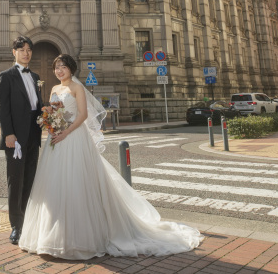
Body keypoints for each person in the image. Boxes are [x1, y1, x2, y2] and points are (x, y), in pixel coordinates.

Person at [19, 54, 202, 260]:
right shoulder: (54, 89)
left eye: (63, 67)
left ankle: (80, 237)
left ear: (71, 69)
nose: (59, 71)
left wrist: (65, 132)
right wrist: (51, 124)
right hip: (56, 139)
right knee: (55, 184)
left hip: (73, 138)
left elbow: (82, 115)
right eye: (56, 68)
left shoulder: (77, 88)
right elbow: (53, 111)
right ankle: (50, 235)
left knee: (76, 182)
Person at [0, 35, 43, 245]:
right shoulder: (6, 76)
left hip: (34, 136)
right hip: (15, 138)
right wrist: (8, 134)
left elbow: (35, 106)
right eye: (22, 49)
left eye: (29, 50)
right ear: (13, 52)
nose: (26, 53)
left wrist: (47, 116)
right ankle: (16, 226)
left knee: (29, 181)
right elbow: (3, 108)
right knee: (15, 182)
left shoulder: (35, 76)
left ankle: (27, 221)